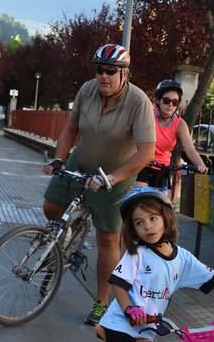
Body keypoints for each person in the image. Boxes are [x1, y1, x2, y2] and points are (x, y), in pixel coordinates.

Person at [41, 44, 156, 325]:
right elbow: (71, 128)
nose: (103, 76)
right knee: (51, 207)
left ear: (124, 73)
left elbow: (146, 152)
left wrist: (114, 178)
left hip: (115, 176)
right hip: (80, 163)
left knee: (107, 239)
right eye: (99, 70)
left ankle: (101, 303)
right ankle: (65, 239)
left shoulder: (138, 102)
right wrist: (59, 158)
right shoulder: (87, 90)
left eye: (110, 71)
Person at [95, 187, 214, 341]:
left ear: (166, 218)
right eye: (139, 223)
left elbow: (213, 278)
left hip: (147, 327)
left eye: (153, 218)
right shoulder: (137, 254)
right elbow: (118, 284)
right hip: (120, 323)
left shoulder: (183, 258)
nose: (147, 226)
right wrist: (129, 310)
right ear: (133, 229)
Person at [136, 79, 208, 190]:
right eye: (166, 100)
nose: (170, 105)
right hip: (142, 165)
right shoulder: (148, 114)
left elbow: (190, 149)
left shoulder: (179, 124)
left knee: (164, 203)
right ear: (158, 100)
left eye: (175, 102)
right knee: (140, 196)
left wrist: (200, 164)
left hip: (163, 169)